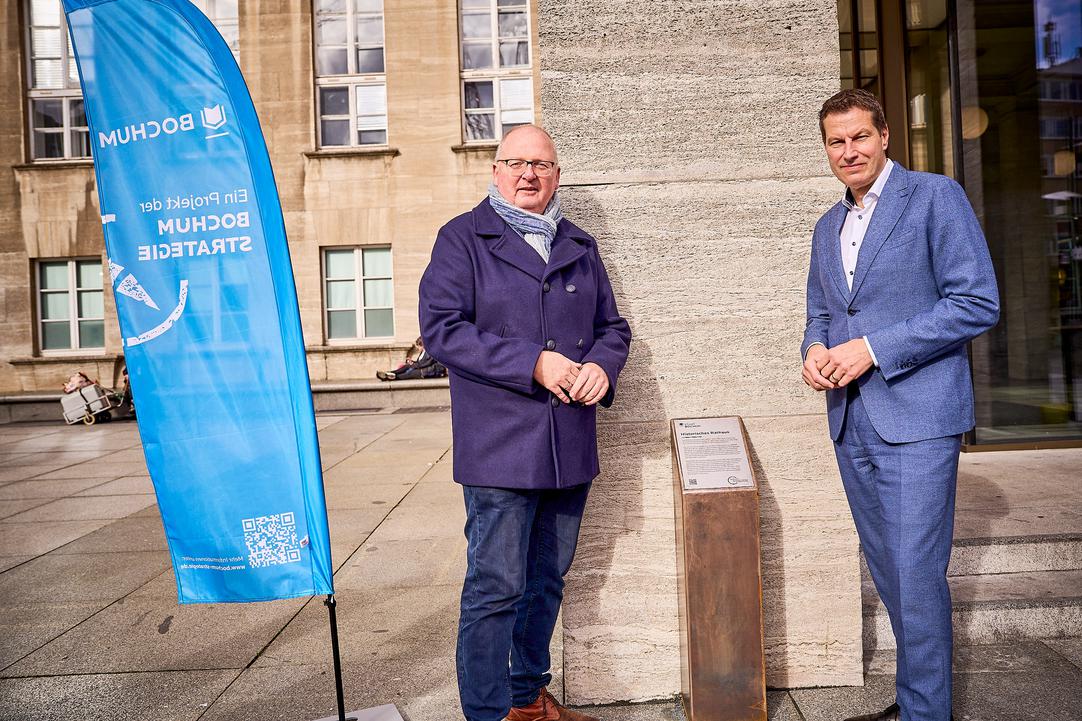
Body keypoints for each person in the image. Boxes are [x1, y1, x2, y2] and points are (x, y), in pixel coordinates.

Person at [419, 125, 631, 721]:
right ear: (494, 171)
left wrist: (602, 369)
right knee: (495, 587)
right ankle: (487, 714)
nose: (528, 174)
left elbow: (613, 328)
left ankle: (527, 699)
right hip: (500, 447)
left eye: (541, 164)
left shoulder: (580, 244)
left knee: (546, 582)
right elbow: (442, 330)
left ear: (557, 175)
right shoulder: (462, 239)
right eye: (514, 162)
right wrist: (533, 362)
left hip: (569, 443)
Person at [801, 89, 999, 721]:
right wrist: (814, 351)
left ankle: (925, 714)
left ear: (885, 135)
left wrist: (872, 350)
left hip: (918, 417)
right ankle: (918, 700)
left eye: (860, 136)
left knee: (915, 573)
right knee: (890, 574)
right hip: (851, 419)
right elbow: (821, 314)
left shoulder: (935, 197)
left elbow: (976, 302)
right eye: (836, 142)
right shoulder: (828, 225)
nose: (849, 151)